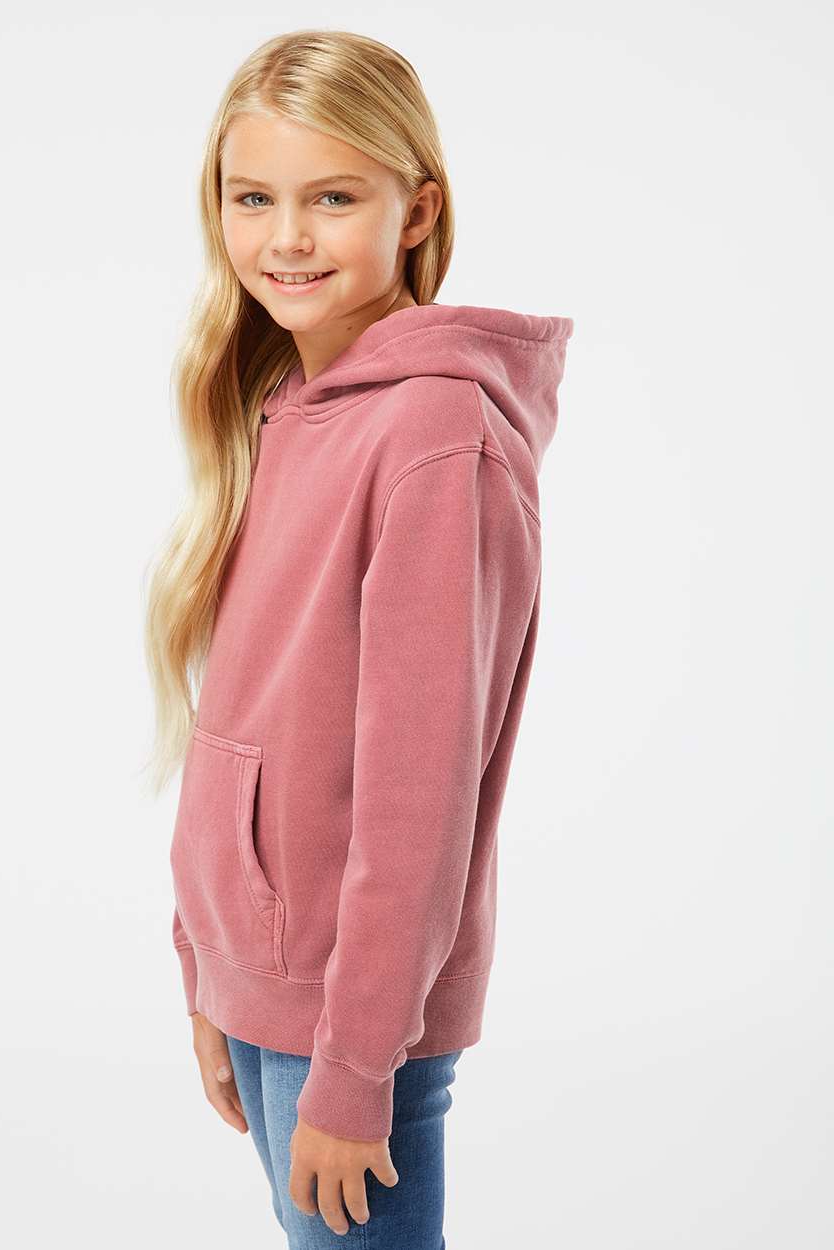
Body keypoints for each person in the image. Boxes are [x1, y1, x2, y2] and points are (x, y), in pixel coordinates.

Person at [143, 28, 574, 1248]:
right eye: (253, 198)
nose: (287, 236)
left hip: (353, 1016)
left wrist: (352, 1063)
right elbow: (249, 710)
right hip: (273, 985)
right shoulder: (287, 406)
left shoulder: (432, 437)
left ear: (416, 210)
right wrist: (209, 965)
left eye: (332, 198)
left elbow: (415, 795)